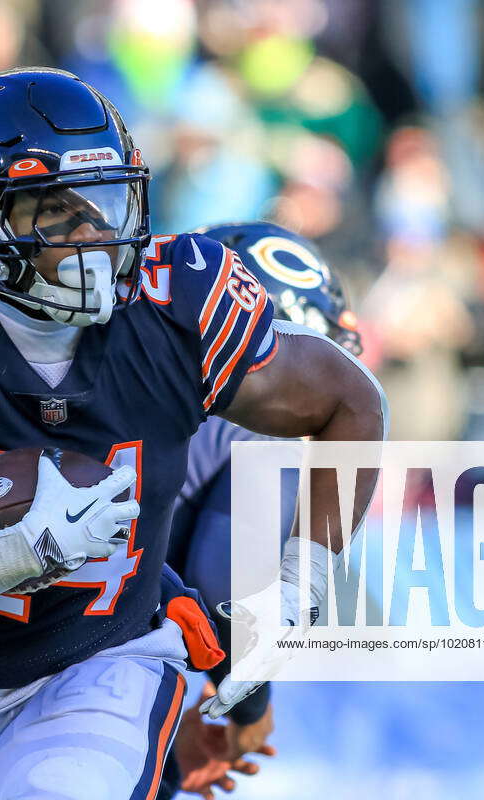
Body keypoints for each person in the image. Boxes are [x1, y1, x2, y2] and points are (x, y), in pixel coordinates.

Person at [0, 68, 385, 799]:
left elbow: (352, 404)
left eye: (105, 204)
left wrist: (304, 578)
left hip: (101, 663)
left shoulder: (178, 303)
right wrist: (14, 550)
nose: (92, 237)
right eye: (54, 212)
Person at [161, 222, 364, 799]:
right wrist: (249, 704)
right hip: (71, 667)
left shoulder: (134, 372)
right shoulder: (258, 414)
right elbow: (227, 581)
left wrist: (168, 724)